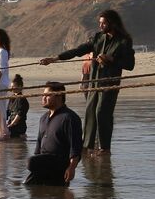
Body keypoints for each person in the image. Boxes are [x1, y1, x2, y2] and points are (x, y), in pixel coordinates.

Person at [41, 9, 135, 154]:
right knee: (90, 112)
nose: (101, 26)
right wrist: (55, 59)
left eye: (104, 23)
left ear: (112, 23)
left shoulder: (123, 41)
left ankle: (105, 148)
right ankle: (87, 146)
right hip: (94, 82)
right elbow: (78, 50)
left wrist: (112, 59)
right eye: (100, 23)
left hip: (110, 83)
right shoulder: (98, 38)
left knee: (102, 112)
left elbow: (130, 64)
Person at [24, 82, 83, 186]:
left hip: (59, 162)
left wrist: (71, 168)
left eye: (47, 95)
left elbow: (76, 147)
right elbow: (39, 144)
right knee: (28, 187)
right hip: (43, 162)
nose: (43, 98)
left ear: (59, 96)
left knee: (30, 162)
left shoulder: (69, 117)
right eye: (43, 95)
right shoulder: (43, 118)